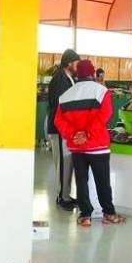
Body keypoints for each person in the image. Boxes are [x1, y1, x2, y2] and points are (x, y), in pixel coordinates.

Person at [54, 60, 125, 227]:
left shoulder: (66, 96)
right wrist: (87, 134)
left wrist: (74, 134)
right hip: (97, 145)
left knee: (81, 181)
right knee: (102, 181)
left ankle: (85, 215)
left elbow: (58, 120)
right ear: (93, 74)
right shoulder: (102, 91)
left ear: (77, 75)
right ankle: (109, 213)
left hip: (77, 147)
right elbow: (105, 115)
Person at [47, 49, 79, 211]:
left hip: (66, 127)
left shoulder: (68, 78)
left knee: (67, 162)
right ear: (69, 63)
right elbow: (61, 104)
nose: (77, 66)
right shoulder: (59, 79)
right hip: (59, 127)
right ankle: (62, 197)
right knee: (62, 163)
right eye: (76, 63)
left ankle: (66, 194)